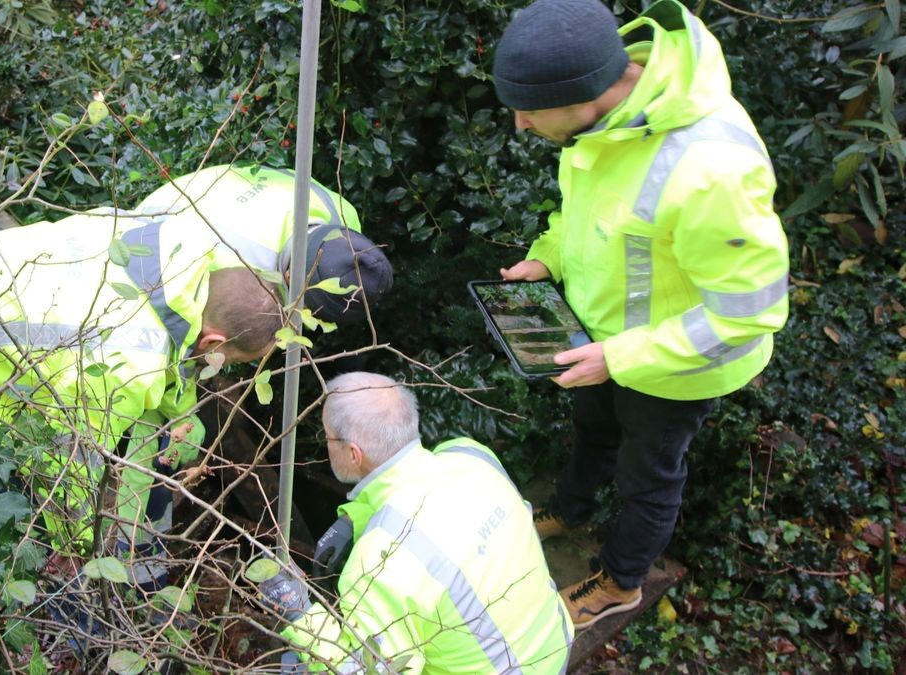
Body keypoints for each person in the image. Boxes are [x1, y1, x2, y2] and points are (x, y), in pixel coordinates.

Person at [491, 0, 789, 628]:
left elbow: (748, 314)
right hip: (599, 341)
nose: (518, 126)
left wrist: (619, 358)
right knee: (593, 431)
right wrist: (547, 260)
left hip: (678, 370)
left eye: (527, 110)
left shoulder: (713, 169)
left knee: (647, 479)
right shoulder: (604, 122)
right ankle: (568, 510)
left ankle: (622, 582)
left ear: (583, 93)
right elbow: (589, 215)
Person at [0, 208, 283, 587]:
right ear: (214, 340)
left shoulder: (183, 246)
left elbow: (175, 339)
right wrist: (77, 546)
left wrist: (183, 413)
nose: (222, 367)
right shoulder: (128, 364)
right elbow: (71, 458)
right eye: (228, 359)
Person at [258, 372, 572, 673]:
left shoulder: (376, 567)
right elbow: (420, 501)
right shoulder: (471, 456)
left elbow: (362, 670)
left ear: (354, 454)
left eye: (327, 437)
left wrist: (301, 615)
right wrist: (358, 518)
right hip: (553, 645)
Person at [135, 164, 393, 324]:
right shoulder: (237, 265)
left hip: (213, 181)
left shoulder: (341, 213)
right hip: (153, 222)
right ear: (289, 277)